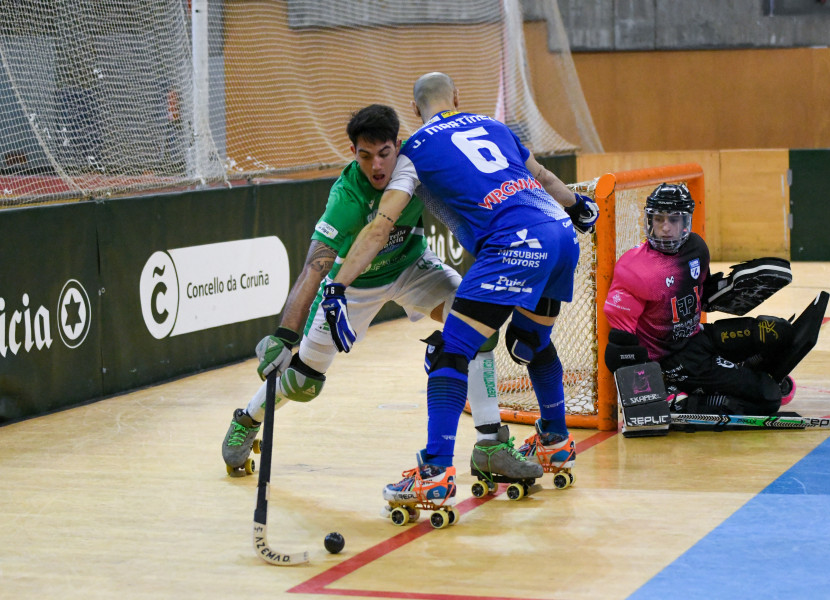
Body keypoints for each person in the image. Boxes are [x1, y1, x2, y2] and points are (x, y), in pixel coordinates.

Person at [318, 73, 600, 511]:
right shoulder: (494, 126)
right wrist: (579, 206)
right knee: (530, 343)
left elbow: (380, 227)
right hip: (560, 232)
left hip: (513, 242)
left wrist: (336, 284)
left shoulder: (412, 153)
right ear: (458, 98)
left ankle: (434, 472)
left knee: (451, 350)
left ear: (415, 111)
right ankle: (554, 441)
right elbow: (542, 175)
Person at [221, 104, 539, 483]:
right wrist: (285, 335)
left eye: (384, 153)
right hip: (353, 288)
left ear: (398, 147)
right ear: (353, 153)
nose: (376, 166)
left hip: (412, 268)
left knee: (478, 325)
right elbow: (315, 266)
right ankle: (248, 417)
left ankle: (490, 444)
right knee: (303, 382)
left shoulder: (417, 168)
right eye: (365, 155)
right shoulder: (347, 197)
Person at [603, 182, 799, 418]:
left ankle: (743, 373)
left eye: (673, 220)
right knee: (768, 397)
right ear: (649, 221)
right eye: (659, 219)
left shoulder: (696, 248)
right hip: (674, 362)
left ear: (686, 222)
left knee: (778, 332)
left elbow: (700, 294)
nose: (665, 228)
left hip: (698, 337)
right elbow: (620, 349)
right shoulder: (633, 268)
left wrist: (729, 291)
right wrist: (655, 395)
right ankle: (689, 401)